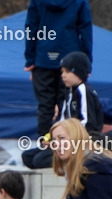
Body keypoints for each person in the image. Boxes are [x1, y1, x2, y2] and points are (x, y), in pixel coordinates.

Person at [24, 51, 103, 169]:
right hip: (65, 141)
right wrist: (51, 137)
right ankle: (63, 158)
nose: (63, 75)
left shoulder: (84, 91)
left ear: (79, 73)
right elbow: (62, 120)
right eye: (62, 72)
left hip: (81, 142)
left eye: (67, 72)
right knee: (27, 156)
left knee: (39, 160)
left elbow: (87, 123)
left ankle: (71, 161)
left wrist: (66, 138)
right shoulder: (69, 93)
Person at [25, 0, 92, 138]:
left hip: (43, 58)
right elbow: (85, 30)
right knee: (68, 105)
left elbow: (31, 27)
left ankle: (45, 144)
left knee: (45, 107)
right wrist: (86, 62)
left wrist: (30, 59)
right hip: (71, 58)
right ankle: (66, 144)